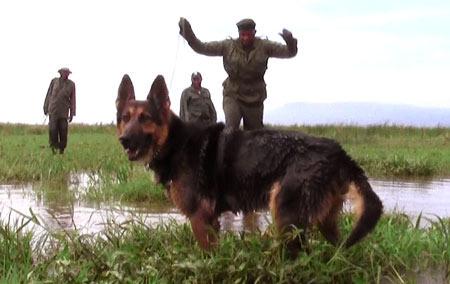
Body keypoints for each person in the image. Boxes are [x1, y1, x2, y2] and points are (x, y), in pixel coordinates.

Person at [178, 17, 298, 130]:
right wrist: (189, 36)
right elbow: (202, 47)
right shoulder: (228, 46)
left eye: (248, 35)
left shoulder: (265, 46)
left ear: (254, 33)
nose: (245, 38)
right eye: (242, 35)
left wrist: (291, 44)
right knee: (231, 129)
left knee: (254, 134)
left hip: (255, 97)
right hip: (233, 94)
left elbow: (289, 53)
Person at [43, 67, 76, 154]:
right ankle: (53, 149)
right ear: (60, 73)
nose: (66, 74)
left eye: (67, 73)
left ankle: (62, 150)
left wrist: (72, 113)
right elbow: (49, 94)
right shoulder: (54, 81)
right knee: (53, 130)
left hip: (64, 112)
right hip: (53, 110)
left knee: (63, 131)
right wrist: (45, 107)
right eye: (64, 72)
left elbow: (73, 100)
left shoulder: (72, 84)